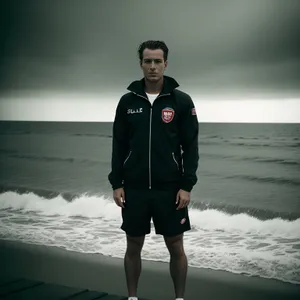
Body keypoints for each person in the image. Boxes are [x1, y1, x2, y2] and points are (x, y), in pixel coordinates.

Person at [108, 40, 199, 300]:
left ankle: (179, 298)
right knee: (133, 245)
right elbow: (119, 145)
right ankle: (132, 297)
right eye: (147, 61)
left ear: (166, 64)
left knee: (176, 246)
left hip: (170, 189)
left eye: (157, 61)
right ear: (141, 64)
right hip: (134, 188)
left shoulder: (181, 102)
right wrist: (117, 183)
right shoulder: (127, 102)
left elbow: (190, 147)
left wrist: (186, 185)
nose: (152, 66)